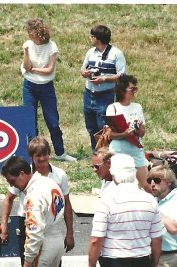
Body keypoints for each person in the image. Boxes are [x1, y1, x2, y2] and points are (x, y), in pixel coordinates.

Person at [0, 136, 74, 267]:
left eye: (44, 155)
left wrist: (70, 233)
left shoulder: (59, 175)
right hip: (28, 224)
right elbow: (8, 199)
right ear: (31, 158)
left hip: (51, 227)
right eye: (37, 156)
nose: (41, 159)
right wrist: (4, 226)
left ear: (49, 154)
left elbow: (67, 205)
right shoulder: (24, 174)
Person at [21, 18, 76, 162]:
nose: (28, 34)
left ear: (37, 32)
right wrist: (26, 53)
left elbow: (49, 70)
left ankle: (60, 152)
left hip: (46, 87)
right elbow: (26, 67)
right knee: (29, 119)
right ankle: (32, 154)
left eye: (30, 32)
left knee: (52, 120)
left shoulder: (51, 46)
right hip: (29, 86)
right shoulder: (28, 44)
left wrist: (33, 69)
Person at [81, 24, 126, 152]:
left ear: (98, 38)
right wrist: (85, 73)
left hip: (105, 95)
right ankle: (95, 152)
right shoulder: (90, 52)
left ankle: (106, 154)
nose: (90, 38)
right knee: (91, 126)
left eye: (92, 36)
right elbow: (82, 69)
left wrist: (104, 79)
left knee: (104, 127)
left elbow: (122, 75)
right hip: (89, 94)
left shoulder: (116, 54)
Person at [106, 74, 149, 192]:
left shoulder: (137, 107)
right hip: (118, 151)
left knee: (146, 184)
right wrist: (124, 134)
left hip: (136, 149)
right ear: (122, 89)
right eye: (132, 89)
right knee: (117, 184)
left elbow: (142, 133)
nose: (134, 92)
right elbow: (109, 134)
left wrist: (139, 128)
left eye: (136, 89)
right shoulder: (113, 107)